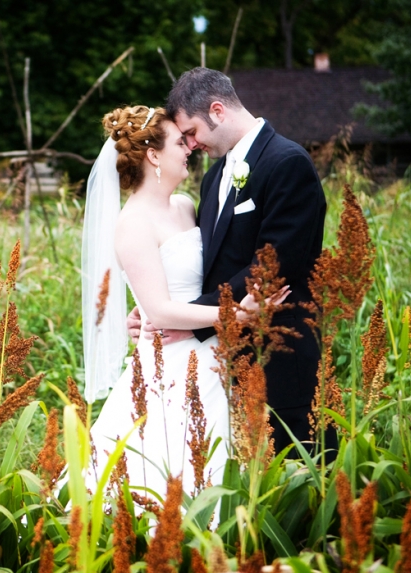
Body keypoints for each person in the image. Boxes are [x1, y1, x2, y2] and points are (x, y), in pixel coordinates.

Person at [81, 105, 288, 500]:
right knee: (168, 468)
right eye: (180, 142)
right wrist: (236, 314)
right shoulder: (132, 223)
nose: (190, 147)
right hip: (170, 362)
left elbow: (203, 275)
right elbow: (160, 309)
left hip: (215, 354)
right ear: (154, 155)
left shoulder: (185, 205)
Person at [128, 67, 333, 457]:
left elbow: (273, 266)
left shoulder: (287, 163)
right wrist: (155, 309)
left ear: (217, 111)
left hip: (278, 354)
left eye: (191, 133)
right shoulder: (213, 178)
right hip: (221, 362)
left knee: (297, 476)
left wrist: (187, 319)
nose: (190, 145)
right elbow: (205, 265)